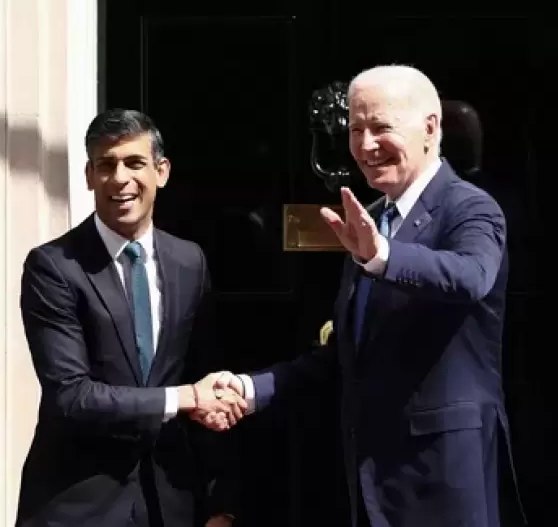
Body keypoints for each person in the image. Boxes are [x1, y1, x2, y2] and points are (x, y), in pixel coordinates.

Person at [207, 65, 523, 527]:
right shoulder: (373, 219)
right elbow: (348, 354)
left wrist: (383, 256)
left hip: (443, 481)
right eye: (357, 129)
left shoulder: (468, 206)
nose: (366, 145)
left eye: (381, 127)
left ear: (430, 128)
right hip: (370, 482)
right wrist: (252, 388)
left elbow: (471, 276)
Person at [15, 109, 246, 527]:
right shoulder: (54, 267)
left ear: (162, 171)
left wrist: (221, 502)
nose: (120, 178)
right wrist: (185, 397)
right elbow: (70, 395)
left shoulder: (188, 262)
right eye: (106, 165)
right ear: (89, 176)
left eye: (134, 163)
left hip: (171, 502)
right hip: (78, 505)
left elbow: (207, 375)